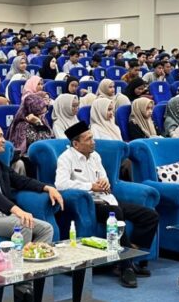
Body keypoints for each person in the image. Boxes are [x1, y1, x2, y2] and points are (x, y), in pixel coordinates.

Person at [0, 123, 63, 299]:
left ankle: (34, 275)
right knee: (24, 225)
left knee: (46, 229)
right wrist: (16, 210)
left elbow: (20, 180)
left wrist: (46, 187)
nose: (4, 140)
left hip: (4, 214)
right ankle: (19, 283)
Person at [55, 121, 157, 287]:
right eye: (88, 139)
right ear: (76, 144)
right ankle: (126, 267)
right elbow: (61, 184)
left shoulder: (95, 156)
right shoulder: (66, 158)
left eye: (92, 138)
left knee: (149, 215)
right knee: (115, 213)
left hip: (108, 198)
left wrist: (105, 183)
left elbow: (103, 177)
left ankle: (132, 253)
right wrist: (90, 186)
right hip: (90, 205)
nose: (93, 142)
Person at [6, 92, 54, 175]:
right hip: (27, 159)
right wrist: (38, 124)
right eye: (39, 113)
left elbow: (50, 139)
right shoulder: (22, 125)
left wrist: (40, 123)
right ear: (32, 112)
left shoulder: (42, 120)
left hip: (40, 156)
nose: (42, 116)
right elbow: (40, 143)